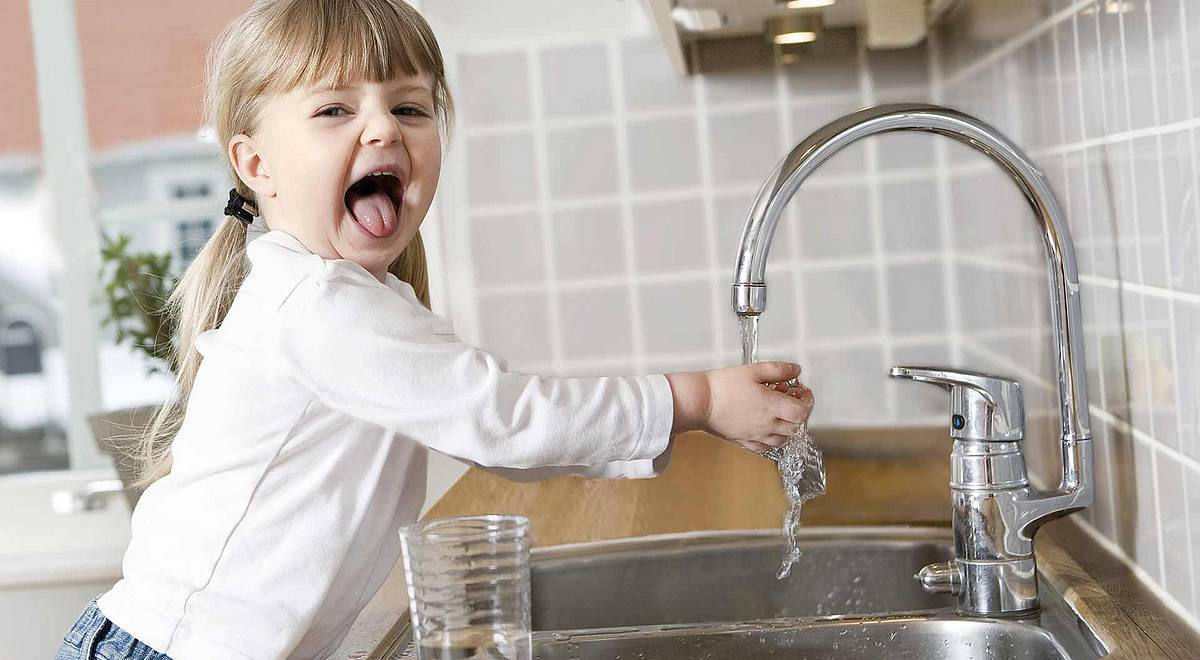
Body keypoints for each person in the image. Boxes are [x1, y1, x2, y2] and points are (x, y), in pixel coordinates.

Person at [55, 0, 814, 658]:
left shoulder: (365, 303)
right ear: (257, 164)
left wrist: (682, 420)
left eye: (410, 108)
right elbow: (506, 421)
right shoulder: (318, 305)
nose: (383, 128)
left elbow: (504, 438)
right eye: (334, 110)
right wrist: (697, 401)